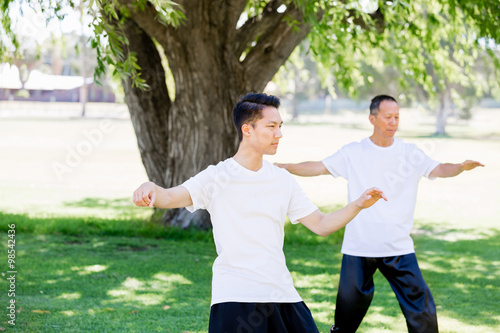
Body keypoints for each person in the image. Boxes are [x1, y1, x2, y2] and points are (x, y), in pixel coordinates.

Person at [133, 93, 387, 333]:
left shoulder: (282, 180)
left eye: (280, 126)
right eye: (271, 126)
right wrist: (150, 187)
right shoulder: (217, 177)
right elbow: (168, 196)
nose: (279, 133)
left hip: (280, 293)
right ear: (247, 129)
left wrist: (358, 205)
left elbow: (321, 224)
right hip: (235, 295)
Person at [275, 94, 484, 333]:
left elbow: (439, 168)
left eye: (397, 117)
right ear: (372, 119)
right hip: (359, 247)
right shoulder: (354, 152)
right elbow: (319, 167)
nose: (393, 122)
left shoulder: (411, 153)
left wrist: (459, 167)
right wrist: (286, 167)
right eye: (388, 117)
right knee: (347, 314)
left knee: (422, 311)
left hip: (398, 247)